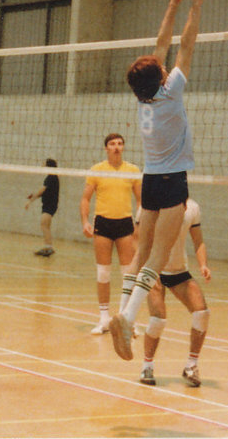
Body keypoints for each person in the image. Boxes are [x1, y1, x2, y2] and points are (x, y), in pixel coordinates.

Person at [109, 0, 203, 361]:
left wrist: (173, 2)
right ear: (161, 77)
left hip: (148, 180)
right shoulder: (171, 93)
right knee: (158, 257)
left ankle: (121, 313)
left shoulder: (144, 100)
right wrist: (196, 3)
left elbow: (162, 45)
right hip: (172, 184)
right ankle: (127, 318)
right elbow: (184, 44)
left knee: (139, 253)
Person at [139, 198, 211, 388]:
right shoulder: (150, 204)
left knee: (202, 312)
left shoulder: (193, 207)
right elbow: (138, 239)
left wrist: (203, 264)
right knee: (158, 320)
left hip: (178, 270)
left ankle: (191, 366)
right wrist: (141, 269)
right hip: (154, 269)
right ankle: (147, 366)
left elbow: (198, 241)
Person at [80, 135, 141, 333]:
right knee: (103, 272)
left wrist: (140, 226)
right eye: (112, 144)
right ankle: (104, 318)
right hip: (103, 223)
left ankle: (127, 318)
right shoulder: (97, 170)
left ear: (123, 147)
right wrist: (85, 221)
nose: (116, 147)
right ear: (106, 148)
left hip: (125, 224)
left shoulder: (132, 171)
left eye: (120, 144)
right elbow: (85, 198)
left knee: (128, 273)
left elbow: (141, 201)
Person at [27, 159, 60, 257]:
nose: (43, 167)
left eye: (44, 165)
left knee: (44, 225)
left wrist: (31, 200)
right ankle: (48, 247)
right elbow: (45, 191)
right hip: (49, 204)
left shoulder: (51, 177)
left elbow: (42, 190)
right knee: (46, 226)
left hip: (49, 205)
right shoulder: (52, 177)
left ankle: (48, 247)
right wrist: (33, 196)